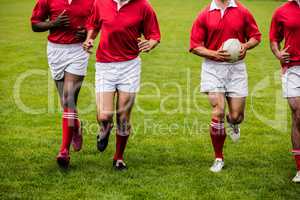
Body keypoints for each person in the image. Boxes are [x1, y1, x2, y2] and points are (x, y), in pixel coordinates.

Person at [83, 0, 161, 170]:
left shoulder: (143, 6)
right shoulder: (101, 3)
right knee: (104, 116)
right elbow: (93, 25)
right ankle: (105, 127)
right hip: (105, 65)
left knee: (123, 117)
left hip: (130, 66)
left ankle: (118, 158)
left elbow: (154, 35)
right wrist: (89, 40)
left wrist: (151, 44)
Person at [190, 0, 261, 172]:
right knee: (218, 110)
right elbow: (194, 46)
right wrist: (214, 53)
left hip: (236, 69)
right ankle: (218, 158)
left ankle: (233, 123)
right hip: (212, 68)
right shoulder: (204, 14)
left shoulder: (242, 11)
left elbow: (256, 37)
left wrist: (246, 45)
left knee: (236, 115)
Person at [31, 0, 94, 168]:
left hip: (78, 51)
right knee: (65, 102)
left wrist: (87, 35)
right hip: (55, 51)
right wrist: (54, 23)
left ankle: (64, 151)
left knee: (68, 98)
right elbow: (35, 25)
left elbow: (95, 23)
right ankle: (76, 126)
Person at [270, 0, 300, 183]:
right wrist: (277, 53)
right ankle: (299, 167)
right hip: (293, 68)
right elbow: (274, 39)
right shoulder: (282, 11)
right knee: (298, 113)